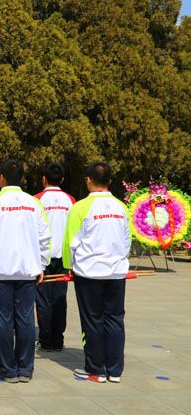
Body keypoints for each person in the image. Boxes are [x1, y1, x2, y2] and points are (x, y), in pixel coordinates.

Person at [0, 159, 51, 383]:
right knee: (26, 320)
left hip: (1, 271)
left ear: (1, 177)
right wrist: (42, 264)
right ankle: (25, 369)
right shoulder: (34, 203)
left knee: (4, 321)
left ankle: (8, 369)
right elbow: (44, 237)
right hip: (28, 270)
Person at [64, 162, 131, 383]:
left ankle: (95, 369)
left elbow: (70, 243)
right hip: (115, 272)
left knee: (93, 320)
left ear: (88, 180)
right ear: (110, 181)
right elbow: (126, 241)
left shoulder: (80, 207)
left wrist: (69, 266)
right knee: (114, 319)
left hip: (89, 273)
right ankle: (115, 370)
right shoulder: (121, 207)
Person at [34, 162, 75, 352]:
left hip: (43, 256)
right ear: (63, 179)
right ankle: (58, 339)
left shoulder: (37, 200)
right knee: (60, 298)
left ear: (43, 179)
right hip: (64, 257)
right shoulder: (71, 201)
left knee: (42, 299)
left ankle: (45, 339)